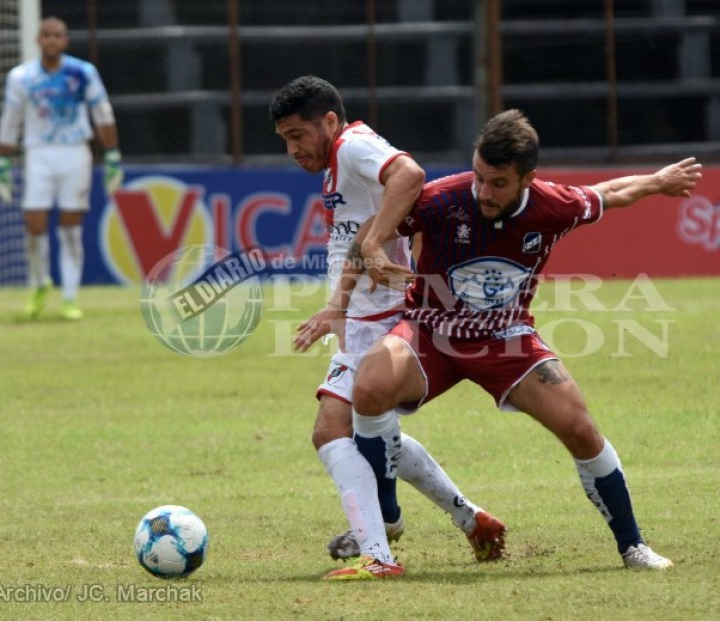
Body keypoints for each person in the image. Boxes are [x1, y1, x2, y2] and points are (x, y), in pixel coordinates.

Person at [351, 108, 702, 570]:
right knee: (369, 388)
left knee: (580, 429)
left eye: (498, 183)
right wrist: (371, 251)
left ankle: (633, 547)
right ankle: (388, 516)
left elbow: (610, 193)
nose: (483, 191)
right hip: (430, 331)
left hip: (507, 339)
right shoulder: (440, 199)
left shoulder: (554, 205)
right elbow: (369, 231)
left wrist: (657, 182)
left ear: (527, 180)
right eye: (479, 176)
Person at [269, 75, 506, 580]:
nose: (292, 149)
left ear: (328, 121)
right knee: (375, 432)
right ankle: (470, 518)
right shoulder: (342, 159)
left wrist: (373, 249)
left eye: (297, 135)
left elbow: (409, 175)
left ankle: (379, 549)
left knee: (330, 431)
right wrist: (338, 303)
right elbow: (364, 228)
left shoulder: (352, 146)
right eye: (285, 140)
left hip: (377, 318)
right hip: (363, 314)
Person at [0, 16, 123, 320]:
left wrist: (112, 155)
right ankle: (41, 281)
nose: (52, 40)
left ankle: (69, 296)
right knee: (34, 221)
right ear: (38, 40)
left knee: (70, 226)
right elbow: (10, 120)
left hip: (74, 151)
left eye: (57, 35)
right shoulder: (22, 77)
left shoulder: (82, 73)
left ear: (65, 41)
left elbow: (102, 114)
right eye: (46, 34)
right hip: (38, 152)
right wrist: (3, 160)